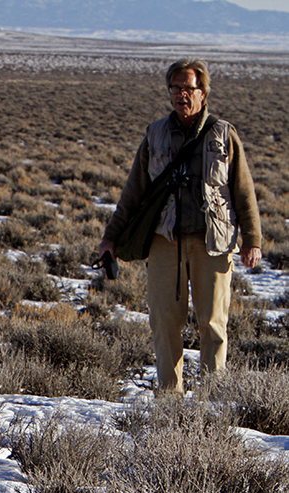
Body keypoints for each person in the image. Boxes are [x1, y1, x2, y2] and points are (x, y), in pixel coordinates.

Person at [96, 59, 262, 394]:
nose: (180, 95)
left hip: (212, 242)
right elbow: (134, 191)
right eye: (175, 88)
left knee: (212, 323)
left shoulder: (223, 133)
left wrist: (252, 239)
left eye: (188, 88)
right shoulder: (155, 133)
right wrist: (110, 238)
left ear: (203, 93)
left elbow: (243, 189)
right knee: (164, 323)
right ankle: (169, 399)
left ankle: (212, 399)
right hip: (164, 240)